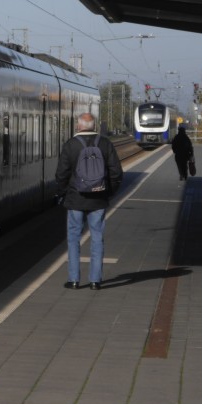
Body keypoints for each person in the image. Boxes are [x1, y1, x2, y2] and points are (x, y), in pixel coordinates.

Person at [55, 112, 123, 290]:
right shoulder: (105, 143)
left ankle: (74, 280)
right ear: (95, 125)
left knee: (73, 238)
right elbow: (116, 173)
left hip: (75, 198)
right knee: (97, 238)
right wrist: (109, 192)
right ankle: (95, 281)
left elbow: (61, 174)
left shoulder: (70, 145)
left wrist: (63, 193)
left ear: (79, 126)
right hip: (98, 199)